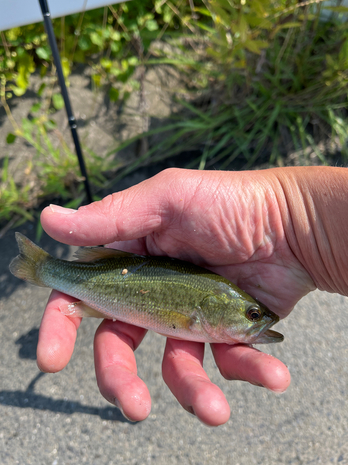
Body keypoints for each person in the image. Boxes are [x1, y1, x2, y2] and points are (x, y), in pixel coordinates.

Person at [37, 166, 348, 426]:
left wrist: (298, 227)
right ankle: (40, 268)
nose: (258, 319)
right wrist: (292, 223)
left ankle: (42, 268)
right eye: (252, 314)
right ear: (211, 309)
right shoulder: (205, 306)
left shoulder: (210, 304)